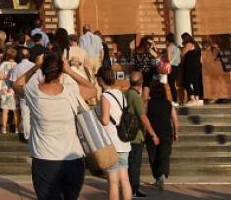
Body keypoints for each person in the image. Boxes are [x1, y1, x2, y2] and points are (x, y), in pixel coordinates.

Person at [13, 52, 96, 200]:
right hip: (73, 158)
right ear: (61, 71)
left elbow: (16, 84)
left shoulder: (33, 92)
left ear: (43, 70)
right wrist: (70, 71)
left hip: (44, 159)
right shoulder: (71, 91)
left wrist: (35, 67)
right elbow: (92, 89)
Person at [96, 66, 132, 200]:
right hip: (124, 141)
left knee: (113, 181)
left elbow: (105, 121)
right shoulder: (121, 94)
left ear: (101, 79)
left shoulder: (105, 96)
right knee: (125, 179)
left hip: (112, 143)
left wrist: (97, 116)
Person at [126, 71, 161, 198]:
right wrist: (153, 134)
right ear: (141, 82)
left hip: (126, 134)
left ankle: (129, 187)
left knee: (129, 163)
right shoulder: (135, 97)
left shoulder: (126, 94)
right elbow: (143, 117)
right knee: (135, 164)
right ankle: (134, 189)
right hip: (136, 136)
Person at [146, 81, 180, 190]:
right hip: (166, 133)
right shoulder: (169, 104)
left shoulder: (148, 103)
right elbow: (175, 120)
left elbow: (144, 118)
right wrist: (176, 133)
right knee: (164, 156)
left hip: (152, 134)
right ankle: (162, 176)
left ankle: (158, 177)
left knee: (153, 156)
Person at [8, 46, 35, 141]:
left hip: (23, 92)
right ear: (29, 56)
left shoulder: (16, 67)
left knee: (25, 115)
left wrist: (17, 92)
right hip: (35, 92)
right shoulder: (34, 66)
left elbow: (12, 82)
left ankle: (27, 136)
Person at [0, 48, 18, 134]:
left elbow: (0, 76)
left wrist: (7, 76)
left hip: (5, 88)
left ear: (7, 55)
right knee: (16, 110)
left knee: (5, 110)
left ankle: (4, 128)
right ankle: (16, 128)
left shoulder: (4, 64)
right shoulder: (17, 65)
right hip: (15, 89)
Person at [132, 37, 159, 102]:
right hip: (147, 71)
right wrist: (154, 46)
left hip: (138, 72)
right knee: (146, 86)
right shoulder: (148, 50)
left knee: (139, 87)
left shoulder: (135, 50)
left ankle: (138, 102)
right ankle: (144, 102)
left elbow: (133, 60)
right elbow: (157, 56)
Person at [181, 35, 202, 106]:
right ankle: (197, 99)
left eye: (183, 39)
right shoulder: (196, 45)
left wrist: (183, 47)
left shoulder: (188, 44)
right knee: (196, 82)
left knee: (186, 82)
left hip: (190, 66)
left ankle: (192, 98)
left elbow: (182, 53)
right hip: (197, 66)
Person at [164, 34, 181, 103]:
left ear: (167, 41)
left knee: (171, 85)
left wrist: (165, 58)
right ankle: (177, 99)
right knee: (175, 84)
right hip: (177, 67)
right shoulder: (177, 48)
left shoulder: (169, 48)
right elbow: (179, 61)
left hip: (171, 68)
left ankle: (175, 100)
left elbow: (169, 59)